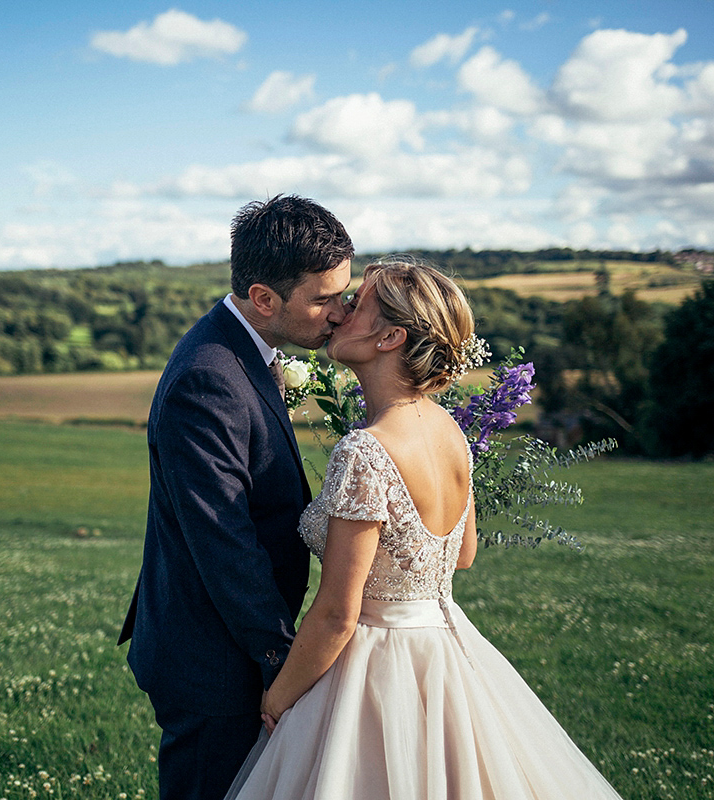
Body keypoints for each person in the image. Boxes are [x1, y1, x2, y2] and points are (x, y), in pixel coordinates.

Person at [225, 257, 624, 799]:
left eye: (357, 305)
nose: (339, 315)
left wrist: (277, 700)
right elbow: (462, 554)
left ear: (390, 336)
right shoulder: (450, 432)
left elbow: (339, 614)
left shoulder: (366, 450)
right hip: (446, 653)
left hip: (372, 667)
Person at [118, 195, 355, 800]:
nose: (339, 312)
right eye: (323, 299)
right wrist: (285, 664)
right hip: (214, 663)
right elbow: (226, 544)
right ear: (265, 298)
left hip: (230, 649)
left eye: (343, 293)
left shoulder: (245, 350)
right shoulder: (209, 378)